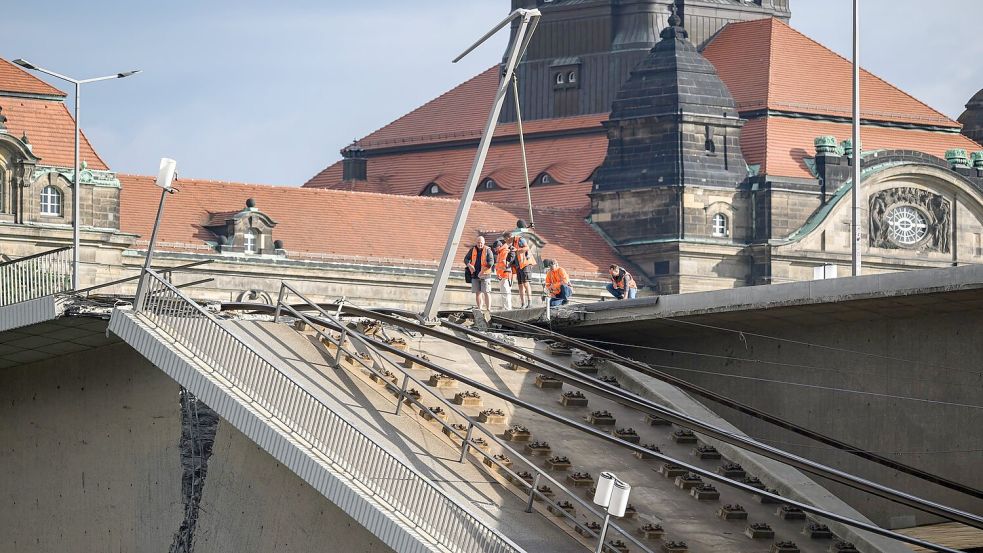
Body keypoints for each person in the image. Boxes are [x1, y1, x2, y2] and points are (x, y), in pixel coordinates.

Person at [504, 221, 535, 308]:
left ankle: (530, 302)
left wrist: (516, 250)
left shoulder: (519, 239)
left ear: (509, 237)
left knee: (526, 284)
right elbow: (512, 256)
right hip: (518, 266)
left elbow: (527, 248)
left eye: (506, 240)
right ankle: (523, 303)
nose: (506, 242)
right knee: (520, 285)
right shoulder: (512, 244)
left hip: (525, 264)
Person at [463, 236, 494, 310]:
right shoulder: (472, 250)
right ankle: (480, 309)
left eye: (481, 243)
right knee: (478, 293)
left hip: (485, 275)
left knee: (486, 292)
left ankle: (488, 309)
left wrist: (482, 271)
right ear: (476, 242)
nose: (480, 244)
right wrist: (469, 265)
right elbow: (466, 259)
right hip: (475, 275)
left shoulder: (488, 250)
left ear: (484, 243)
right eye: (478, 243)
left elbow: (491, 263)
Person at [492, 239, 514, 310]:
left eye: (495, 248)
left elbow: (505, 264)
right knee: (504, 294)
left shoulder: (504, 251)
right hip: (502, 276)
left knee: (506, 293)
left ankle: (508, 309)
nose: (495, 250)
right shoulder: (500, 252)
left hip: (506, 275)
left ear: (499, 246)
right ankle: (505, 308)